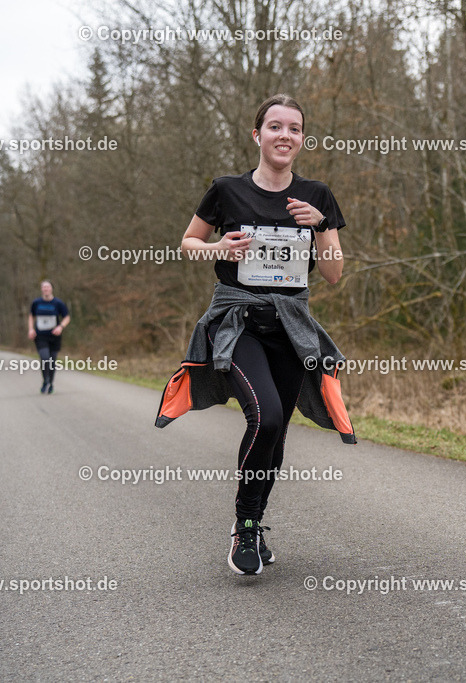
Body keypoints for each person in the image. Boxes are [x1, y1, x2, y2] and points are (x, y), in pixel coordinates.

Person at [156, 94, 355, 576]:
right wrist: (218, 248)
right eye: (275, 127)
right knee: (264, 417)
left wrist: (322, 226)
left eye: (295, 129)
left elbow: (332, 274)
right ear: (257, 134)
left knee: (278, 430)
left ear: (302, 139)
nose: (285, 135)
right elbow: (188, 244)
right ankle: (244, 527)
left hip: (291, 326)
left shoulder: (318, 195)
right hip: (238, 321)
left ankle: (253, 522)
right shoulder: (226, 190)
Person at [27, 281, 70, 394]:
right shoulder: (36, 303)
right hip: (40, 336)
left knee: (52, 360)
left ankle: (50, 382)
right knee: (45, 358)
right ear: (41, 289)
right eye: (44, 287)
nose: (46, 289)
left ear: (51, 289)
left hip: (54, 336)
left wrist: (60, 327)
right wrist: (31, 329)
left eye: (48, 287)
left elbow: (66, 317)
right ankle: (45, 380)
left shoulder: (58, 303)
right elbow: (31, 316)